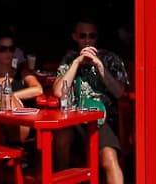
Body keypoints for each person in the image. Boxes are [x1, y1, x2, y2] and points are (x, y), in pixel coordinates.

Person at [55, 20, 128, 184]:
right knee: (61, 139)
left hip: (101, 120)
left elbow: (119, 91)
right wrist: (76, 63)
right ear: (75, 37)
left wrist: (99, 65)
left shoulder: (110, 58)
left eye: (91, 36)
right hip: (74, 118)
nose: (87, 41)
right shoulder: (69, 59)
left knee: (109, 157)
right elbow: (59, 91)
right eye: (83, 36)